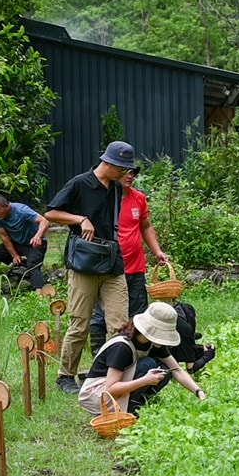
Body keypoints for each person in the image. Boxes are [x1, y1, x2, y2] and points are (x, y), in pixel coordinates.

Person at [44, 141, 134, 394]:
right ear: (108, 163)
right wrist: (80, 219)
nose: (126, 173)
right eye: (122, 168)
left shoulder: (115, 188)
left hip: (111, 263)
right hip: (84, 264)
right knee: (80, 323)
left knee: (119, 324)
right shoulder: (79, 183)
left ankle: (108, 375)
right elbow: (51, 212)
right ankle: (65, 376)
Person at [89, 165, 169, 355]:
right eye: (126, 172)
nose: (130, 176)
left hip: (136, 267)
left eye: (133, 173)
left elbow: (146, 226)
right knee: (102, 315)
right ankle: (100, 356)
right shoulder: (104, 198)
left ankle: (135, 355)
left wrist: (157, 251)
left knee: (139, 313)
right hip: (110, 268)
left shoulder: (138, 198)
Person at [78, 302, 207, 417]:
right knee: (148, 365)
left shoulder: (153, 343)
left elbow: (176, 370)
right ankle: (127, 409)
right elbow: (111, 388)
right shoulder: (121, 347)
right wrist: (145, 381)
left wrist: (198, 391)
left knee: (164, 370)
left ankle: (132, 407)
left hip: (115, 391)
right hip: (99, 396)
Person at [0, 194, 50, 295]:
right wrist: (14, 255)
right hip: (17, 243)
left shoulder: (21, 210)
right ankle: (23, 263)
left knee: (33, 266)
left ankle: (40, 295)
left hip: (34, 243)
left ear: (7, 206)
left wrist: (38, 236)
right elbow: (4, 236)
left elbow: (44, 221)